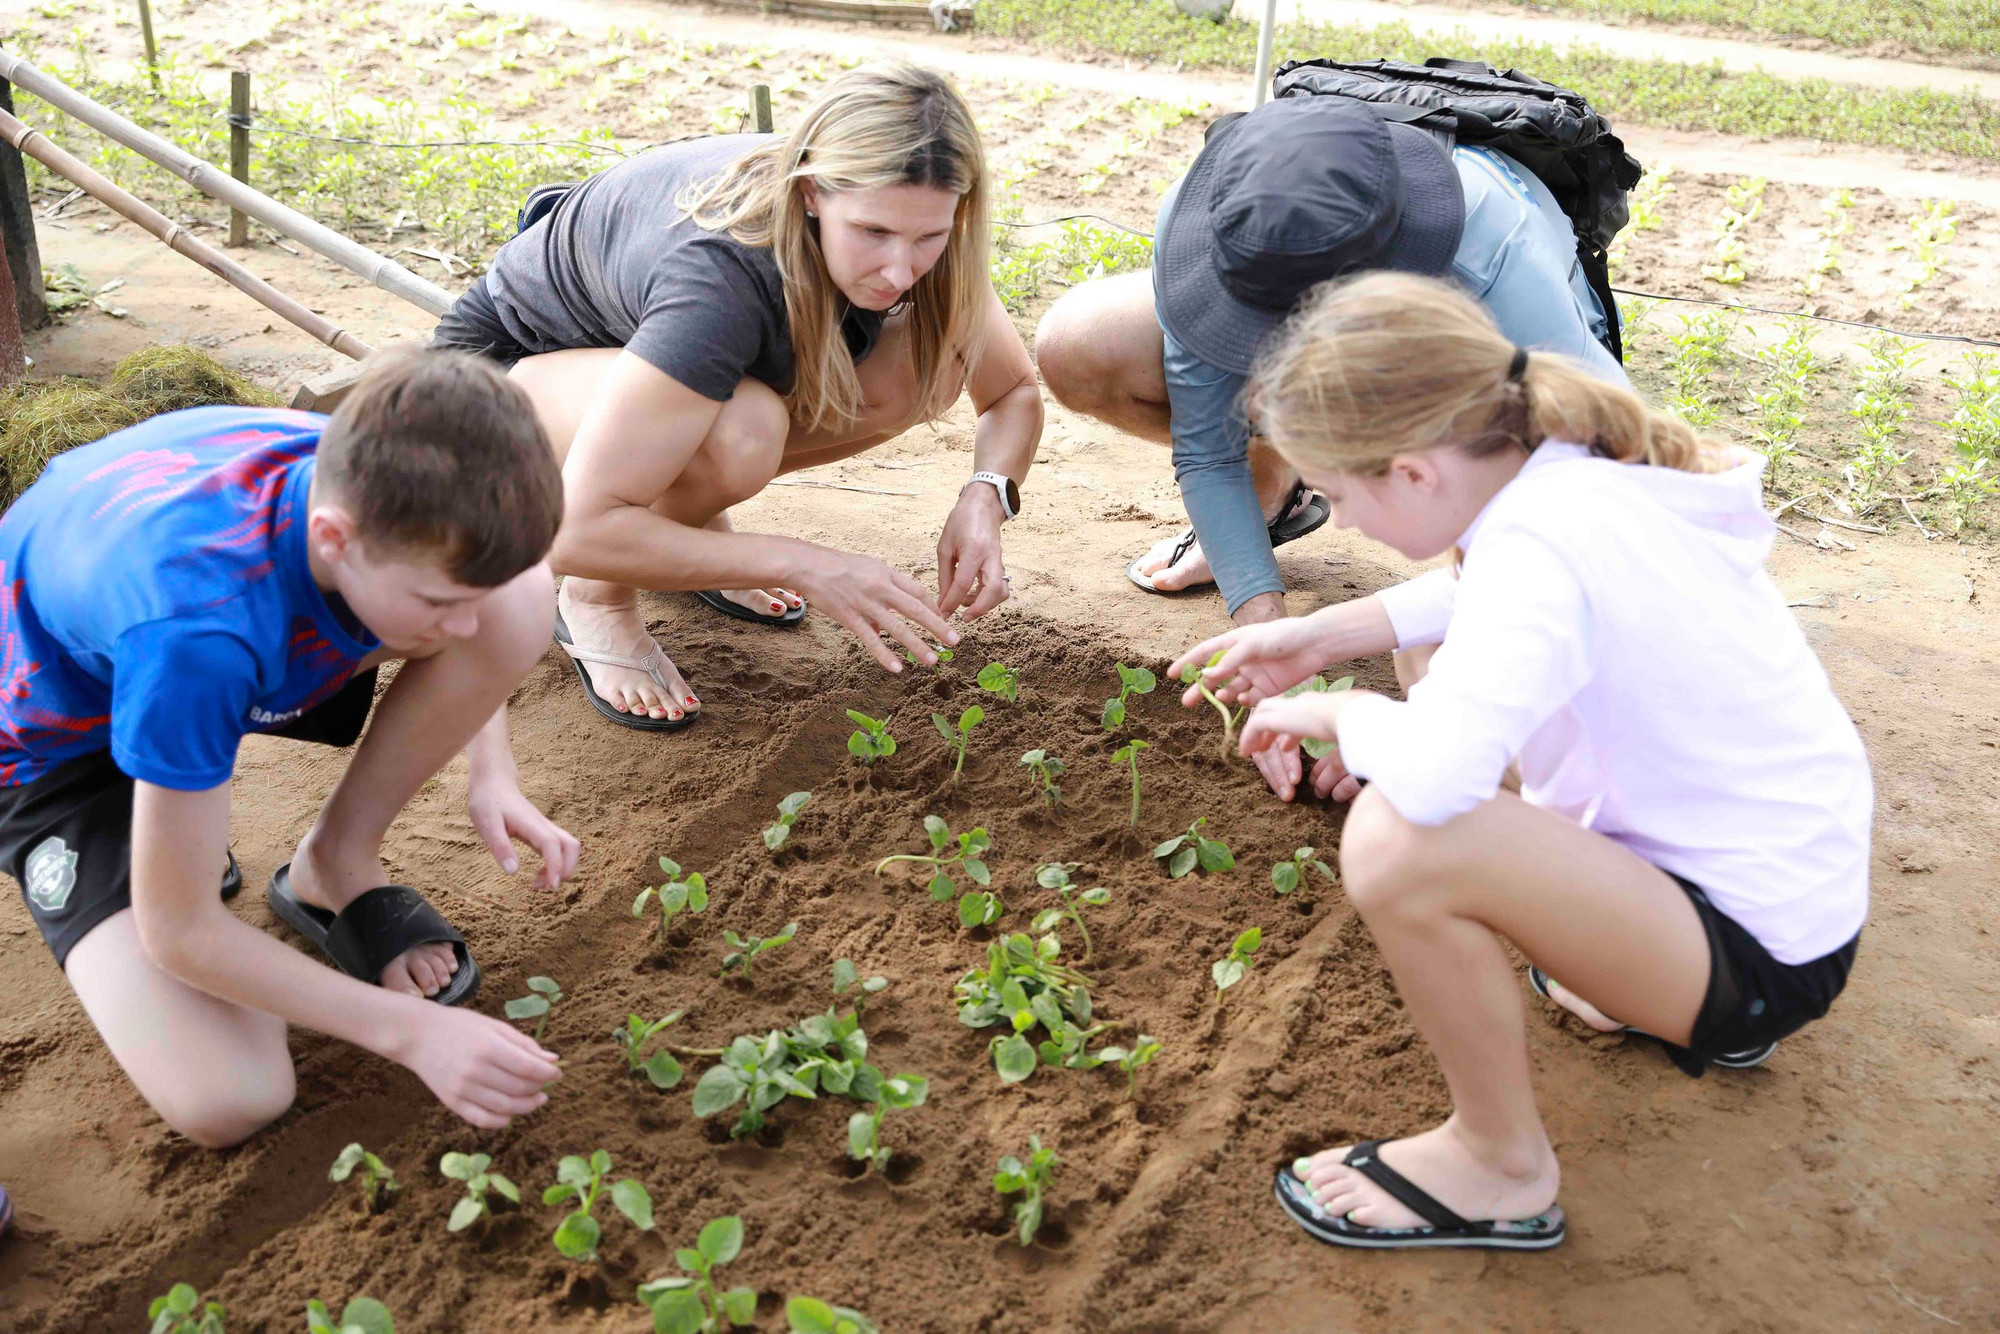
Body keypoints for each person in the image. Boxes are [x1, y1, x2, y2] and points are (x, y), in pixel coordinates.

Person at [1168, 273, 1869, 1250]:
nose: (1349, 522)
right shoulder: (1568, 474)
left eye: (1336, 493)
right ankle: (1632, 982)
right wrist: (1327, 634)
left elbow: (1441, 776)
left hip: (1752, 953)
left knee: (1398, 839)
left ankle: (1497, 1164)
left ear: (1412, 471)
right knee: (1423, 675)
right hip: (1785, 894)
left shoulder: (1536, 546)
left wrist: (1338, 713)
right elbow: (1491, 597)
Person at [0, 350, 581, 1147]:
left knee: (519, 596)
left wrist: (492, 767)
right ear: (335, 538)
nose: (464, 630)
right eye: (441, 603)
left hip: (186, 648)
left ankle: (334, 863)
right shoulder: (196, 633)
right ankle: (162, 835)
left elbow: (473, 590)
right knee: (232, 1093)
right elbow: (183, 934)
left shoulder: (375, 477)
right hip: (60, 749)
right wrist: (409, 1032)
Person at [433, 61, 1042, 730]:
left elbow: (1011, 391)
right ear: (811, 192)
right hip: (493, 384)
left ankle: (680, 519)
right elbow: (575, 529)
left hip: (640, 372)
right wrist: (806, 563)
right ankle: (597, 600)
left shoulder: (924, 222)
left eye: (927, 238)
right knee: (742, 434)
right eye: (872, 234)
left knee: (927, 364)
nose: (901, 270)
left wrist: (986, 495)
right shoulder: (721, 272)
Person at [1036, 95, 1627, 628]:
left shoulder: (1490, 253)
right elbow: (1206, 443)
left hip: (1464, 354)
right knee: (1080, 341)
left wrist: (1479, 599)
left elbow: (1612, 450)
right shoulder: (1220, 209)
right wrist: (1262, 619)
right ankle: (1270, 485)